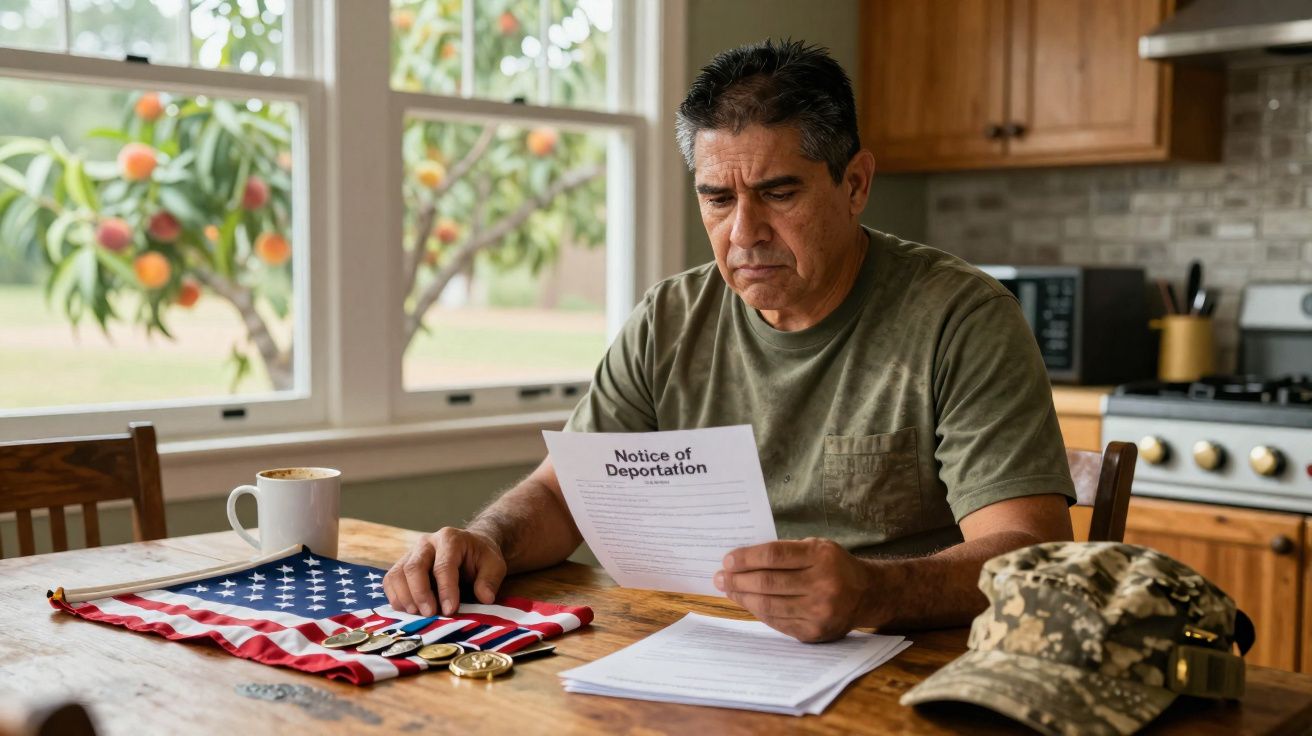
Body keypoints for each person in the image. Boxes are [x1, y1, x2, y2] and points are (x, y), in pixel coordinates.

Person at [384, 39, 1075, 643]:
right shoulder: (670, 318)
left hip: (898, 661)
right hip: (694, 648)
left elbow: (1030, 553)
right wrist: (488, 539)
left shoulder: (962, 318)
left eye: (779, 193)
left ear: (856, 183)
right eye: (718, 198)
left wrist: (873, 592)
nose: (744, 233)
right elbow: (567, 497)